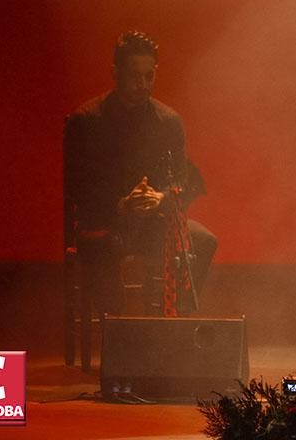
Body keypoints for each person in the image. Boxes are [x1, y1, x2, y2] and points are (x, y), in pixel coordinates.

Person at [64, 30, 218, 316]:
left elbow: (183, 180)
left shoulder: (168, 122)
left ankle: (172, 327)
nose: (143, 84)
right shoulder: (86, 121)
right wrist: (122, 203)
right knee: (104, 258)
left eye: (150, 76)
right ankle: (119, 336)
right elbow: (76, 185)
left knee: (204, 240)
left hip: (153, 224)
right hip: (105, 223)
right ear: (115, 73)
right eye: (135, 76)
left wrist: (160, 198)